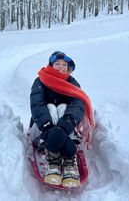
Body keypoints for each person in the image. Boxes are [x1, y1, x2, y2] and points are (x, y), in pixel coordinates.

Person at [30, 51, 94, 187]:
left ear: (68, 68)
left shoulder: (72, 83)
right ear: (51, 65)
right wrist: (47, 127)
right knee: (51, 107)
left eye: (64, 64)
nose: (61, 67)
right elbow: (37, 104)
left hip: (66, 128)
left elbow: (77, 104)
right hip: (43, 129)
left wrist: (65, 124)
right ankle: (57, 158)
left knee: (64, 106)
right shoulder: (40, 81)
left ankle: (66, 161)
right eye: (57, 63)